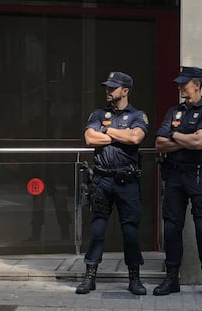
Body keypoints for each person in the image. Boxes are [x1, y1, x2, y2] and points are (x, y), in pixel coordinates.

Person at [75, 71, 149, 296]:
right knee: (97, 229)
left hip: (126, 181)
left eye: (113, 88)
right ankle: (90, 276)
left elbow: (136, 138)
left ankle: (134, 278)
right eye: (107, 87)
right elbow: (89, 138)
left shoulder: (138, 115)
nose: (108, 91)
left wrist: (105, 131)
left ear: (125, 91)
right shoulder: (98, 114)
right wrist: (118, 134)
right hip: (101, 179)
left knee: (130, 232)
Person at [153, 66, 202, 299]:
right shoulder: (174, 111)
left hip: (199, 176)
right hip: (174, 176)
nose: (180, 87)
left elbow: (200, 143)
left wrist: (174, 135)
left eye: (184, 83)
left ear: (197, 85)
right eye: (179, 83)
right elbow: (159, 144)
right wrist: (186, 139)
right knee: (171, 227)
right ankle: (172, 278)